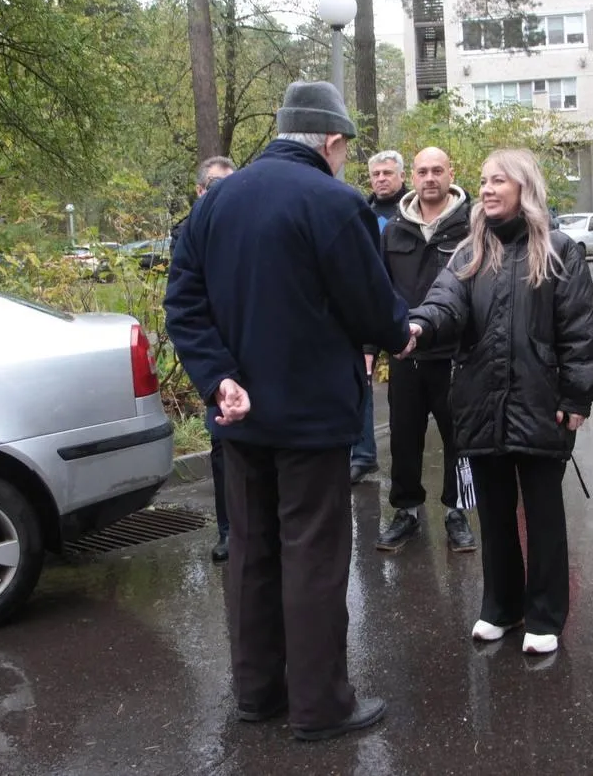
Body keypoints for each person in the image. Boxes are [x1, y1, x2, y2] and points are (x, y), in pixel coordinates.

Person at [165, 81, 414, 741]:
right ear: (331, 142)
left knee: (250, 552)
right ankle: (320, 706)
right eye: (345, 150)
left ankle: (257, 693)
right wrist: (401, 333)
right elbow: (371, 303)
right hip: (311, 416)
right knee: (312, 554)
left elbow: (182, 305)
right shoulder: (333, 202)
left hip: (240, 418)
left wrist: (218, 378)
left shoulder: (217, 203)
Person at [407, 148, 593, 655]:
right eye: (484, 181)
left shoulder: (558, 249)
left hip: (542, 404)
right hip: (480, 404)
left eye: (500, 180)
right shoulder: (469, 252)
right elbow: (444, 302)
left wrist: (578, 395)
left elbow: (582, 332)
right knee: (493, 512)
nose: (489, 189)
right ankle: (500, 606)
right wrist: (418, 326)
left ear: (524, 186)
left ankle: (545, 614)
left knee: (542, 514)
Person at [374, 147, 477, 552]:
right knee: (403, 437)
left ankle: (458, 512)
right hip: (406, 354)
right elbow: (379, 290)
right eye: (422, 171)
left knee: (460, 438)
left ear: (451, 173)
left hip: (457, 355)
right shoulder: (394, 229)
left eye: (437, 170)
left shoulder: (472, 225)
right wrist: (375, 343)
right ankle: (406, 512)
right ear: (411, 178)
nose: (430, 177)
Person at [186, 156, 236, 563]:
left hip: (255, 362)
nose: (222, 193)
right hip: (216, 362)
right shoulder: (189, 235)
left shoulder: (247, 229)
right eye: (215, 185)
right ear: (200, 190)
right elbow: (187, 308)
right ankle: (229, 531)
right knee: (223, 449)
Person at [351, 150, 410, 484]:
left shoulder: (413, 209)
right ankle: (363, 454)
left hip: (410, 309)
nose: (381, 179)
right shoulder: (363, 212)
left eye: (388, 173)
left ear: (401, 175)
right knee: (363, 378)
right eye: (376, 174)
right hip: (370, 308)